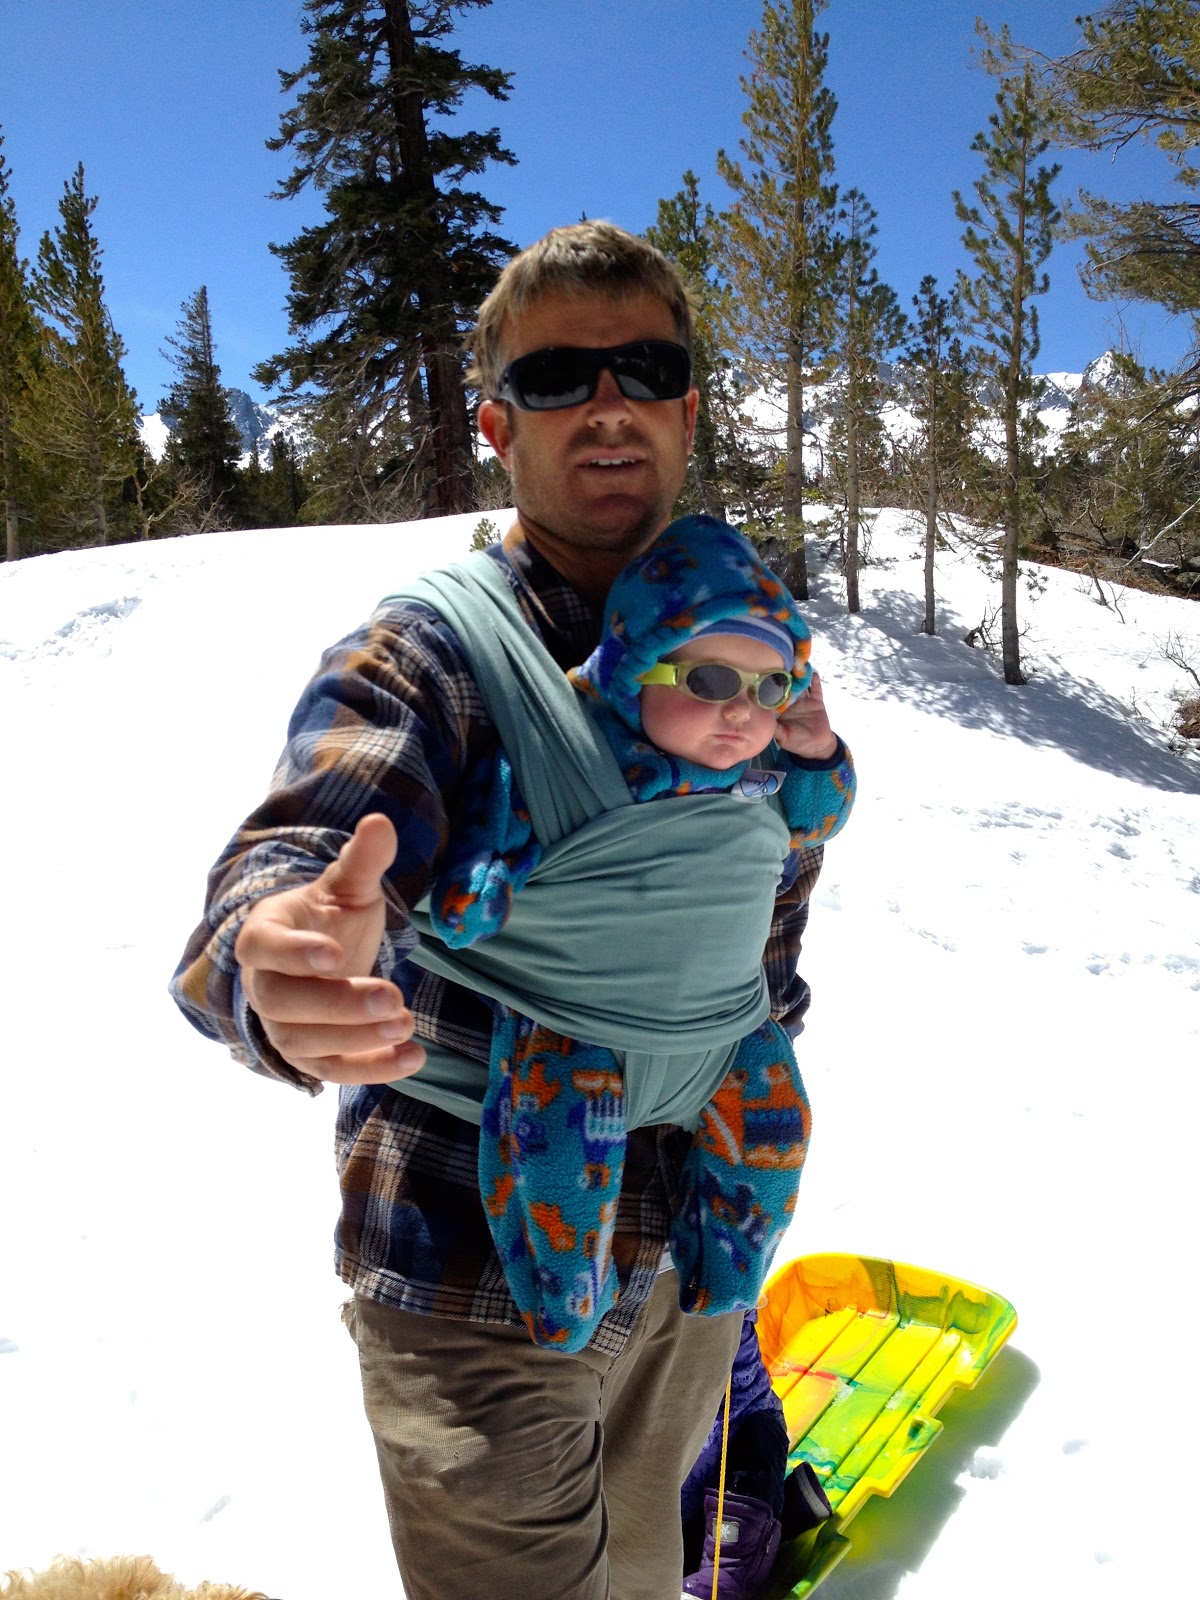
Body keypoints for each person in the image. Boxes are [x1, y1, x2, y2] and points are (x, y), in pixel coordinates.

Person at [169, 222, 848, 1600]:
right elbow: (309, 838)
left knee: (644, 1571)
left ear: (687, 409)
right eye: (555, 378)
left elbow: (758, 936)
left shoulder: (744, 649)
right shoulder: (435, 651)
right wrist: (275, 952)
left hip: (684, 1254)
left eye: (643, 369)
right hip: (469, 1270)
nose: (607, 404)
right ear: (496, 424)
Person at [420, 512, 854, 1355]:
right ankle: (566, 1293)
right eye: (712, 680)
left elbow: (817, 821)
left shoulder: (762, 773)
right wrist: (477, 881)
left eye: (770, 688)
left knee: (779, 1127)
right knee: (554, 1158)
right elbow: (500, 808)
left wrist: (814, 749)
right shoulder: (573, 752)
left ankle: (727, 1271)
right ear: (631, 668)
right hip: (580, 1028)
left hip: (728, 1033)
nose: (743, 712)